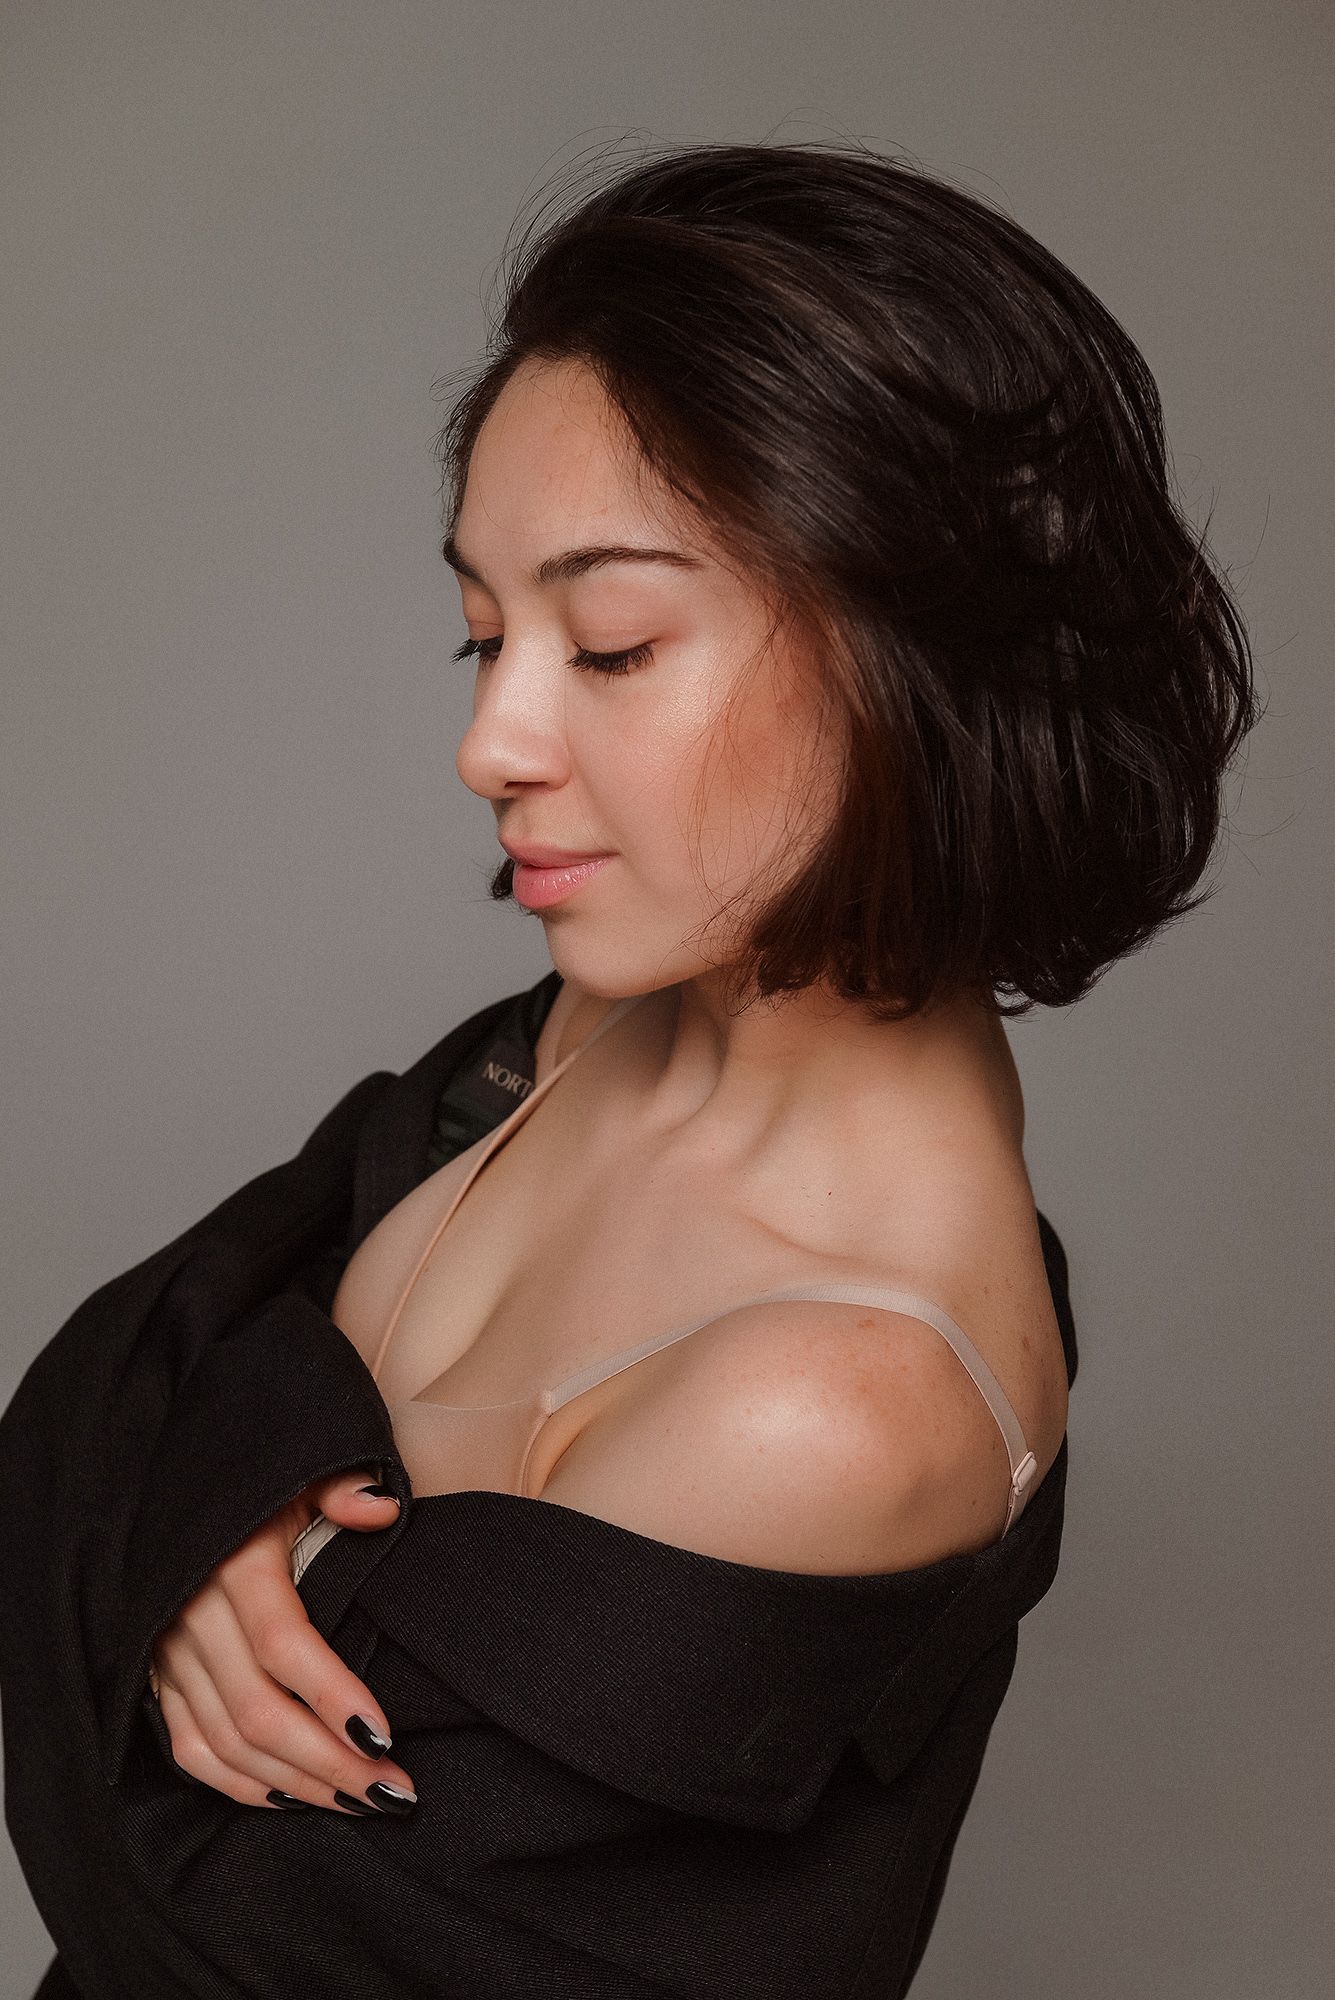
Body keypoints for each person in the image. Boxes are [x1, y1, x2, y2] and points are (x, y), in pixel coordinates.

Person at [4, 139, 1257, 1999]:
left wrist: (143, 1548)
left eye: (610, 645)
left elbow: (225, 1916)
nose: (488, 741)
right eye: (483, 633)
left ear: (916, 655)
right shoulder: (579, 1031)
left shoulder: (826, 1403)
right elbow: (148, 1348)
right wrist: (198, 1536)